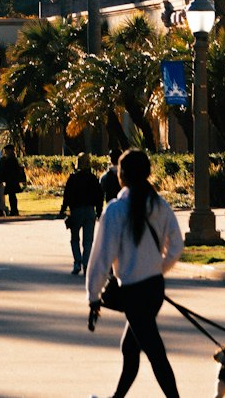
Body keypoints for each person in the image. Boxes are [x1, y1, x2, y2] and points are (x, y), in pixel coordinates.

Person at [85, 148, 184, 398]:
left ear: (122, 175)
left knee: (154, 353)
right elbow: (176, 245)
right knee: (130, 348)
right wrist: (157, 268)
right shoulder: (159, 205)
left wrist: (93, 295)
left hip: (133, 292)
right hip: (154, 289)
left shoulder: (116, 210)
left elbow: (101, 257)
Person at [61, 151, 103, 275]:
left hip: (76, 211)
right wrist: (99, 211)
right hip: (90, 210)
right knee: (88, 240)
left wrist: (63, 209)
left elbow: (67, 195)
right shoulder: (93, 178)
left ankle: (77, 262)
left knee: (74, 239)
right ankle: (86, 263)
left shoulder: (73, 178)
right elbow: (99, 196)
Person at [0, 143, 26, 217]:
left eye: (7, 150)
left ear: (10, 150)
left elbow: (10, 171)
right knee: (12, 196)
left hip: (12, 180)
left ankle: (14, 210)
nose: (6, 152)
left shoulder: (11, 160)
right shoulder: (10, 159)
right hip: (11, 180)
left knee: (12, 196)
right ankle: (14, 210)